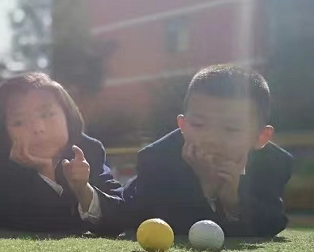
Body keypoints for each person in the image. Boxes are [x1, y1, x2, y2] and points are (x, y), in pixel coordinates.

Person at [123, 64, 292, 237]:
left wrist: (232, 201)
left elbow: (273, 223)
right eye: (198, 125)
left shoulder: (274, 163)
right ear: (183, 126)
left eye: (231, 129)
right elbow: (171, 224)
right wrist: (206, 188)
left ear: (261, 137)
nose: (211, 139)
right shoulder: (156, 159)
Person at [0, 73, 124, 234]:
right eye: (19, 122)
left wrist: (83, 189)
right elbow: (37, 225)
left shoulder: (89, 150)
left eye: (47, 114)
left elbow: (120, 215)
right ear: (4, 133)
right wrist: (46, 171)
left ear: (67, 115)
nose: (38, 128)